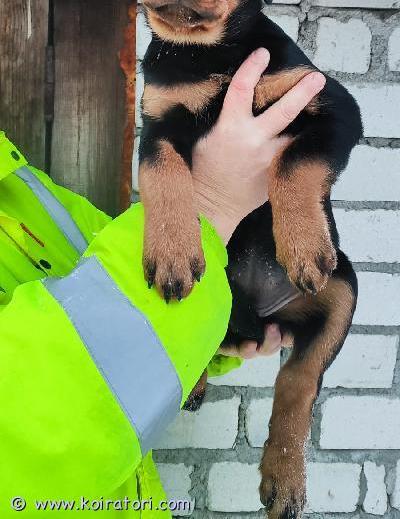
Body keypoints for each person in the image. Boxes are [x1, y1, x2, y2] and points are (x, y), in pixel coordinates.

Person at [0, 49, 325, 517]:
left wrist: (212, 339)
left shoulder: (18, 185)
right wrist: (208, 205)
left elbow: (108, 293)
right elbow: (25, 428)